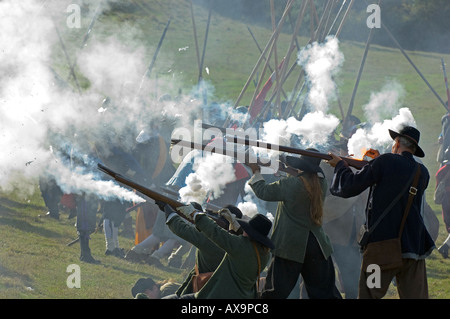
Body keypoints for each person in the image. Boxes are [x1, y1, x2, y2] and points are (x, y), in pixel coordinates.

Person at [327, 125, 435, 299]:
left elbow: (349, 187)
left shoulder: (384, 162)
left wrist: (340, 165)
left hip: (381, 251)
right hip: (413, 249)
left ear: (397, 142)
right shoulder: (422, 172)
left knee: (370, 293)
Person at [247, 149, 341, 299]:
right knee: (325, 294)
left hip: (290, 246)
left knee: (274, 294)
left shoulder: (292, 184)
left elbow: (263, 191)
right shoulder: (321, 183)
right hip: (317, 245)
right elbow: (303, 180)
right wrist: (285, 168)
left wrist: (255, 170)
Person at [163, 205, 273, 299]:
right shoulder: (264, 253)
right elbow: (239, 244)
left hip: (219, 294)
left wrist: (194, 213)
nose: (244, 230)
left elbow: (215, 231)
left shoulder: (240, 246)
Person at [160, 202, 242, 296]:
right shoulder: (240, 242)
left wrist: (169, 210)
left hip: (206, 292)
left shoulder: (213, 240)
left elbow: (182, 229)